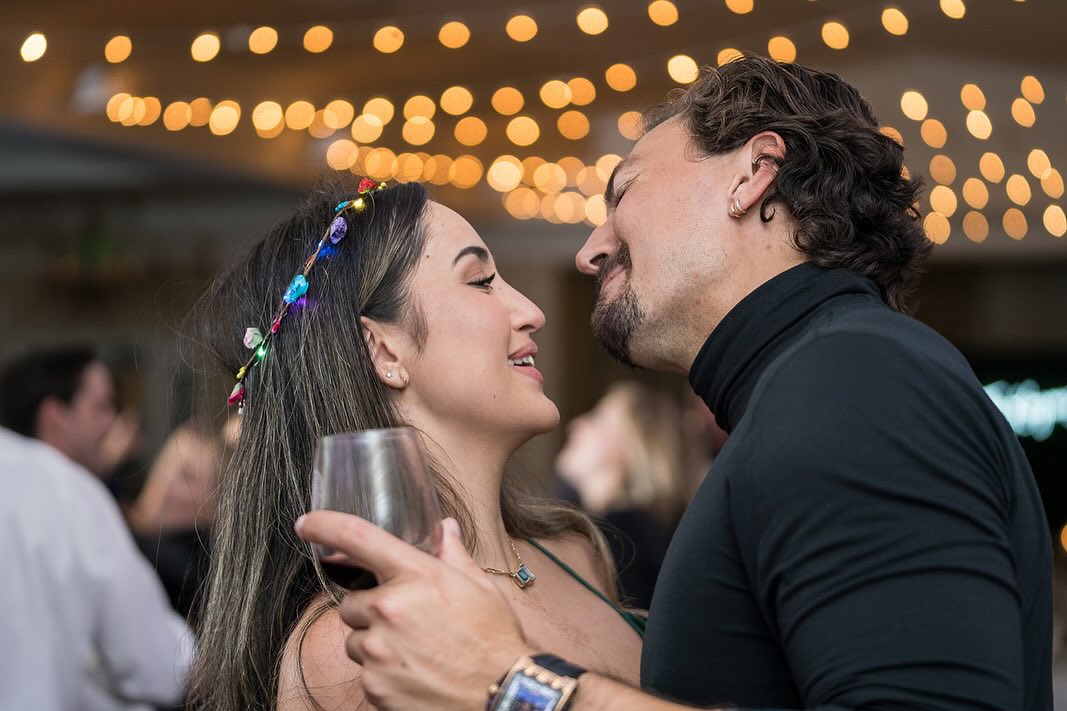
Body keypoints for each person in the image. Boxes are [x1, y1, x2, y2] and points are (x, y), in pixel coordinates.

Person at [294, 55, 1053, 710]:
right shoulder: (822, 381)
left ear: (753, 175)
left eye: (622, 193)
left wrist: (512, 685)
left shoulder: (852, 382)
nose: (590, 250)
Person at [187, 177, 645, 711]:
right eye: (481, 281)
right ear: (385, 351)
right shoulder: (365, 642)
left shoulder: (576, 550)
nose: (530, 311)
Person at [0, 347, 194, 709]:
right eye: (102, 407)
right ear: (55, 417)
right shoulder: (71, 493)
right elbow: (156, 665)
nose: (112, 423)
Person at [556, 381, 690, 608]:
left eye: (599, 419)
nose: (577, 424)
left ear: (633, 445)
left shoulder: (624, 535)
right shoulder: (630, 528)